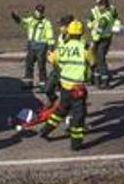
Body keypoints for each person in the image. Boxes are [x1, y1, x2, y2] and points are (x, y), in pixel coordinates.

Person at [39, 20, 92, 151]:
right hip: (77, 88)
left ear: (69, 32)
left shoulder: (63, 46)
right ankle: (76, 144)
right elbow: (93, 62)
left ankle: (45, 130)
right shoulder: (84, 48)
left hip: (65, 86)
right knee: (78, 117)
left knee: (61, 110)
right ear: (81, 33)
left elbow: (52, 59)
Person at [11, 4, 54, 89]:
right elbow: (22, 22)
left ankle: (43, 83)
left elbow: (50, 36)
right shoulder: (31, 20)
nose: (39, 13)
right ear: (35, 11)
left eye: (41, 11)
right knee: (29, 64)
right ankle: (28, 82)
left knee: (41, 65)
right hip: (31, 45)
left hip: (41, 45)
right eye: (38, 11)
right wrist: (16, 18)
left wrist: (51, 48)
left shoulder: (46, 23)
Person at [43, 14, 75, 105]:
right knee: (48, 89)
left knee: (66, 93)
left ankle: (66, 109)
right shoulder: (61, 36)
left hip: (68, 70)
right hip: (57, 67)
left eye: (62, 25)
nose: (60, 28)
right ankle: (54, 101)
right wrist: (53, 55)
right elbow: (60, 50)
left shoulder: (75, 38)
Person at [87, 0, 118, 89]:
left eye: (101, 6)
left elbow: (99, 31)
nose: (99, 7)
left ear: (105, 6)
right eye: (99, 5)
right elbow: (90, 21)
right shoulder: (95, 11)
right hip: (97, 36)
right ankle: (97, 79)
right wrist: (91, 26)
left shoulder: (105, 17)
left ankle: (105, 81)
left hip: (103, 39)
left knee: (100, 59)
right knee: (96, 59)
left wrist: (93, 42)